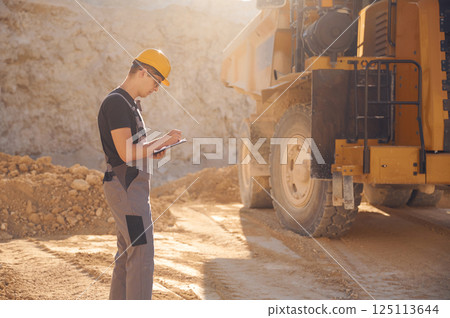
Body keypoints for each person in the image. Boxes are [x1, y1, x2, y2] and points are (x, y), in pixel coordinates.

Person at [97, 48, 181, 300]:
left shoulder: (129, 104)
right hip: (127, 190)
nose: (156, 89)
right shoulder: (116, 103)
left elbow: (134, 150)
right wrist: (163, 139)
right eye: (156, 82)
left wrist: (153, 150)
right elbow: (125, 153)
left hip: (130, 189)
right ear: (143, 72)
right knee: (141, 254)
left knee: (127, 255)